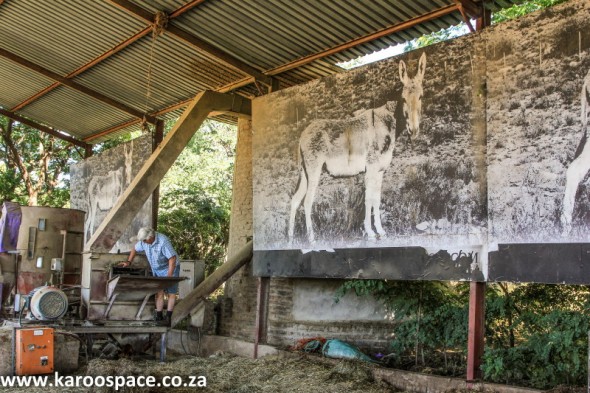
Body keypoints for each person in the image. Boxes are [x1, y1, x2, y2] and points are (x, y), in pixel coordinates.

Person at [122, 227, 179, 323]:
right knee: (159, 292)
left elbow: (172, 259)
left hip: (170, 267)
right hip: (157, 269)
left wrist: (169, 277)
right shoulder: (144, 241)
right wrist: (128, 262)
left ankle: (168, 317)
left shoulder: (163, 241)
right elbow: (134, 249)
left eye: (145, 240)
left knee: (171, 293)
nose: (143, 242)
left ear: (151, 237)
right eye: (142, 241)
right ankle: (159, 316)